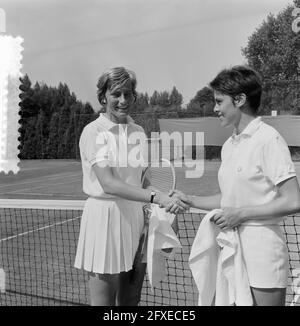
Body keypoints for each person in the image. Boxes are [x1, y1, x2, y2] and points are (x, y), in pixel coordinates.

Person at [171, 66, 300, 306]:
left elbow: (294, 200)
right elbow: (230, 199)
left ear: (240, 100)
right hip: (231, 247)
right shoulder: (229, 145)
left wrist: (240, 214)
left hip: (263, 251)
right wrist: (191, 200)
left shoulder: (268, 139)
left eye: (219, 101)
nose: (215, 109)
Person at [74, 67, 188, 306]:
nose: (123, 100)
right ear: (103, 96)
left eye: (128, 94)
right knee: (104, 304)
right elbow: (109, 183)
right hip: (104, 220)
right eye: (116, 94)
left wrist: (158, 211)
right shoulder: (93, 132)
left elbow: (141, 178)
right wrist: (157, 197)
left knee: (130, 299)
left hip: (135, 218)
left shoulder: (137, 131)